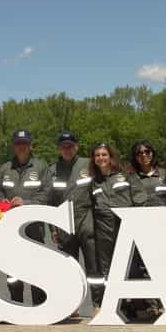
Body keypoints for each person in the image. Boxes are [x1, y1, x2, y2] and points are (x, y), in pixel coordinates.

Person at [0, 129, 51, 306]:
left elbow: (46, 195)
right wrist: (1, 201)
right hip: (10, 230)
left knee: (37, 269)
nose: (21, 147)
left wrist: (25, 203)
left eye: (25, 144)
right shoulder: (4, 169)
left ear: (30, 145)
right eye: (18, 144)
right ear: (13, 146)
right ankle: (16, 303)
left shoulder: (41, 167)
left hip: (34, 228)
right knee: (12, 270)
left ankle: (40, 305)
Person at [47, 131, 101, 311]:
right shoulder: (52, 170)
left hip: (87, 219)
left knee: (94, 267)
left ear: (76, 146)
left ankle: (98, 305)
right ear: (59, 149)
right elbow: (50, 202)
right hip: (63, 222)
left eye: (70, 146)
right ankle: (71, 307)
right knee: (69, 270)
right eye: (63, 147)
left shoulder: (89, 164)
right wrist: (53, 228)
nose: (67, 150)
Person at [126, 140, 166, 320]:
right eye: (139, 153)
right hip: (139, 226)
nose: (144, 155)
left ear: (153, 153)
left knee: (162, 265)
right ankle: (150, 305)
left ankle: (165, 303)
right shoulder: (130, 176)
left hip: (163, 227)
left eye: (147, 151)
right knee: (140, 267)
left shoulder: (165, 173)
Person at [90, 142, 132, 313]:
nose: (101, 158)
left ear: (111, 156)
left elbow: (136, 197)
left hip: (125, 224)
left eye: (104, 154)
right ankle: (110, 305)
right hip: (104, 227)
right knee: (107, 267)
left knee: (129, 264)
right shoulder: (94, 182)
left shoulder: (125, 174)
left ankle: (131, 305)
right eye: (97, 155)